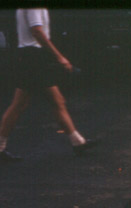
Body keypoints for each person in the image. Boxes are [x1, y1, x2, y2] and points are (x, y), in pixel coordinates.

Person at [0, 8, 96, 162]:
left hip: (31, 57)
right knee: (25, 104)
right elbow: (37, 31)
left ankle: (78, 142)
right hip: (33, 57)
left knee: (46, 102)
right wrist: (59, 57)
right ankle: (77, 142)